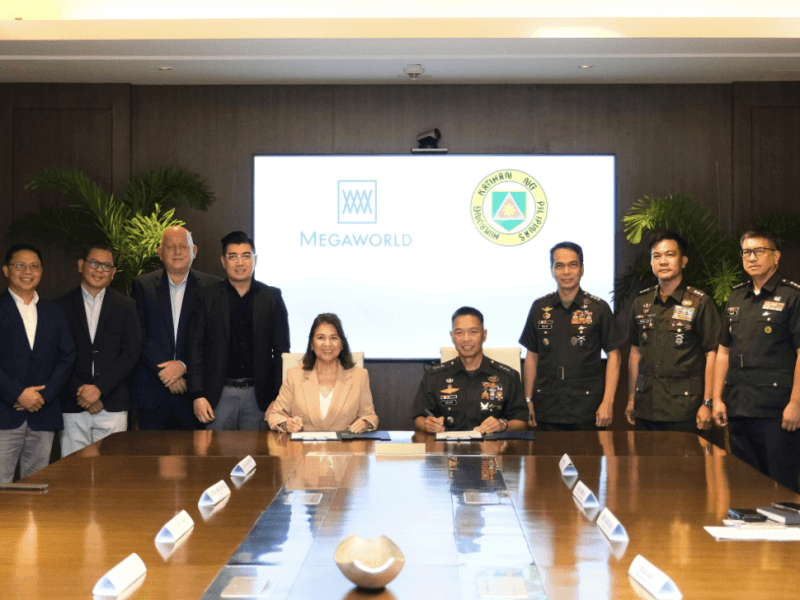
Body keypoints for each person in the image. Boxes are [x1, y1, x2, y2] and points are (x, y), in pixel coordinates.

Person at [713, 228, 800, 491]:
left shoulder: (792, 295)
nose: (752, 257)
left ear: (776, 256)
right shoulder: (736, 296)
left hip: (776, 410)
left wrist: (796, 402)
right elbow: (723, 352)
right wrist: (717, 398)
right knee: (744, 486)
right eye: (747, 252)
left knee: (781, 486)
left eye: (759, 251)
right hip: (739, 406)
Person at [187, 231, 290, 430]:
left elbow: (281, 351)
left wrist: (278, 398)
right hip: (217, 395)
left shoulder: (272, 298)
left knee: (256, 459)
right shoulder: (207, 297)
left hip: (259, 396)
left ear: (255, 260)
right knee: (215, 458)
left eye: (246, 256)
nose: (240, 262)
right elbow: (195, 347)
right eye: (233, 256)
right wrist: (197, 394)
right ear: (223, 261)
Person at [519, 241, 625, 430]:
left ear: (582, 269)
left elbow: (614, 356)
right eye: (559, 265)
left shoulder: (598, 308)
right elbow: (532, 356)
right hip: (547, 408)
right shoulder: (539, 307)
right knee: (546, 459)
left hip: (587, 409)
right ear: (552, 270)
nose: (566, 272)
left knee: (587, 460)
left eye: (573, 265)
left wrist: (608, 402)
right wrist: (528, 399)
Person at [626, 231, 720, 436]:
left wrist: (708, 402)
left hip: (685, 409)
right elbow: (635, 352)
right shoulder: (641, 302)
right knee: (645, 467)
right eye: (656, 256)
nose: (663, 261)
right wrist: (632, 399)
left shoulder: (700, 302)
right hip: (646, 406)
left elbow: (711, 354)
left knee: (684, 468)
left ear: (683, 261)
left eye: (670, 255)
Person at [130, 226, 220, 430]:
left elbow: (214, 338)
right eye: (171, 247)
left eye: (183, 246)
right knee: (151, 459)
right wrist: (167, 371)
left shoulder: (213, 287)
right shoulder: (142, 285)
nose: (177, 252)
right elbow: (139, 334)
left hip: (194, 393)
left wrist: (183, 365)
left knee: (194, 460)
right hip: (152, 391)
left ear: (194, 251)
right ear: (159, 252)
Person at [55, 244, 141, 455]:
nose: (99, 269)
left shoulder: (127, 306)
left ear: (112, 273)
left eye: (106, 265)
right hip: (73, 404)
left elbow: (131, 353)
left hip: (112, 404)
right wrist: (82, 391)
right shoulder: (59, 306)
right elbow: (57, 355)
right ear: (81, 265)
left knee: (111, 474)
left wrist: (99, 389)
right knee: (74, 473)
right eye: (93, 263)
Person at [0, 244, 74, 483]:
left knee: (35, 490)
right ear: (6, 270)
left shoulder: (55, 312)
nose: (27, 271)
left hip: (44, 413)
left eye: (34, 266)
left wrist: (44, 396)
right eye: (19, 265)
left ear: (41, 272)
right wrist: (17, 394)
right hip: (4, 414)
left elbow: (67, 356)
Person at [413, 306, 528, 433]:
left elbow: (521, 421)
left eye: (473, 332)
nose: (466, 339)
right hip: (447, 449)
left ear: (484, 335)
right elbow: (419, 417)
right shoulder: (434, 376)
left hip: (492, 449)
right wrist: (427, 424)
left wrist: (502, 425)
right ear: (452, 336)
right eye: (459, 332)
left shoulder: (508, 376)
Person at [266, 313, 378, 432]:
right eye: (321, 338)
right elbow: (275, 415)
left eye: (334, 338)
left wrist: (365, 423)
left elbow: (370, 416)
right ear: (312, 344)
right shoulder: (295, 375)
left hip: (344, 448)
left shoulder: (359, 376)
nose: (327, 344)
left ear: (342, 344)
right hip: (304, 448)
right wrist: (285, 424)